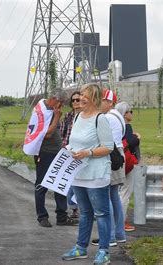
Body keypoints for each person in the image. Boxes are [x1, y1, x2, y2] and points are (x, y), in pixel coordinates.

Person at [62, 83, 114, 265]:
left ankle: (104, 251)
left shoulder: (100, 119)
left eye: (83, 95)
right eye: (79, 95)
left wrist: (88, 153)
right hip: (78, 172)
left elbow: (109, 147)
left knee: (101, 213)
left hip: (97, 174)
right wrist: (68, 151)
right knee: (84, 213)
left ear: (93, 98)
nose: (79, 99)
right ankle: (80, 248)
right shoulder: (77, 117)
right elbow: (74, 142)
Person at [32, 90, 78, 228]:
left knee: (60, 185)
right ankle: (42, 216)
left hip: (57, 152)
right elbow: (47, 134)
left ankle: (61, 216)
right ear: (54, 99)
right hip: (45, 152)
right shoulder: (43, 112)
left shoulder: (51, 110)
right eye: (61, 102)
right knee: (42, 185)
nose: (62, 105)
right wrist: (57, 116)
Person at [90, 89, 126, 247]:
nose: (99, 103)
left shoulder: (106, 117)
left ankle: (109, 236)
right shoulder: (118, 116)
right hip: (118, 153)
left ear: (110, 102)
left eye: (102, 100)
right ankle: (119, 233)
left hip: (109, 156)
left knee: (106, 197)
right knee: (115, 196)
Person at [114, 101, 139, 232]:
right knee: (125, 193)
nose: (131, 114)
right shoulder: (126, 126)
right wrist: (137, 137)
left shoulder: (115, 125)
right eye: (130, 111)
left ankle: (117, 220)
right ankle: (121, 221)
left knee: (117, 192)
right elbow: (131, 141)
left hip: (118, 162)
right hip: (128, 162)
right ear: (125, 114)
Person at [59, 91, 82, 219]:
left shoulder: (86, 117)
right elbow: (62, 134)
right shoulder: (68, 116)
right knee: (70, 182)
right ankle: (73, 208)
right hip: (69, 152)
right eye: (73, 100)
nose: (75, 102)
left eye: (78, 100)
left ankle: (84, 206)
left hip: (83, 154)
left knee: (82, 182)